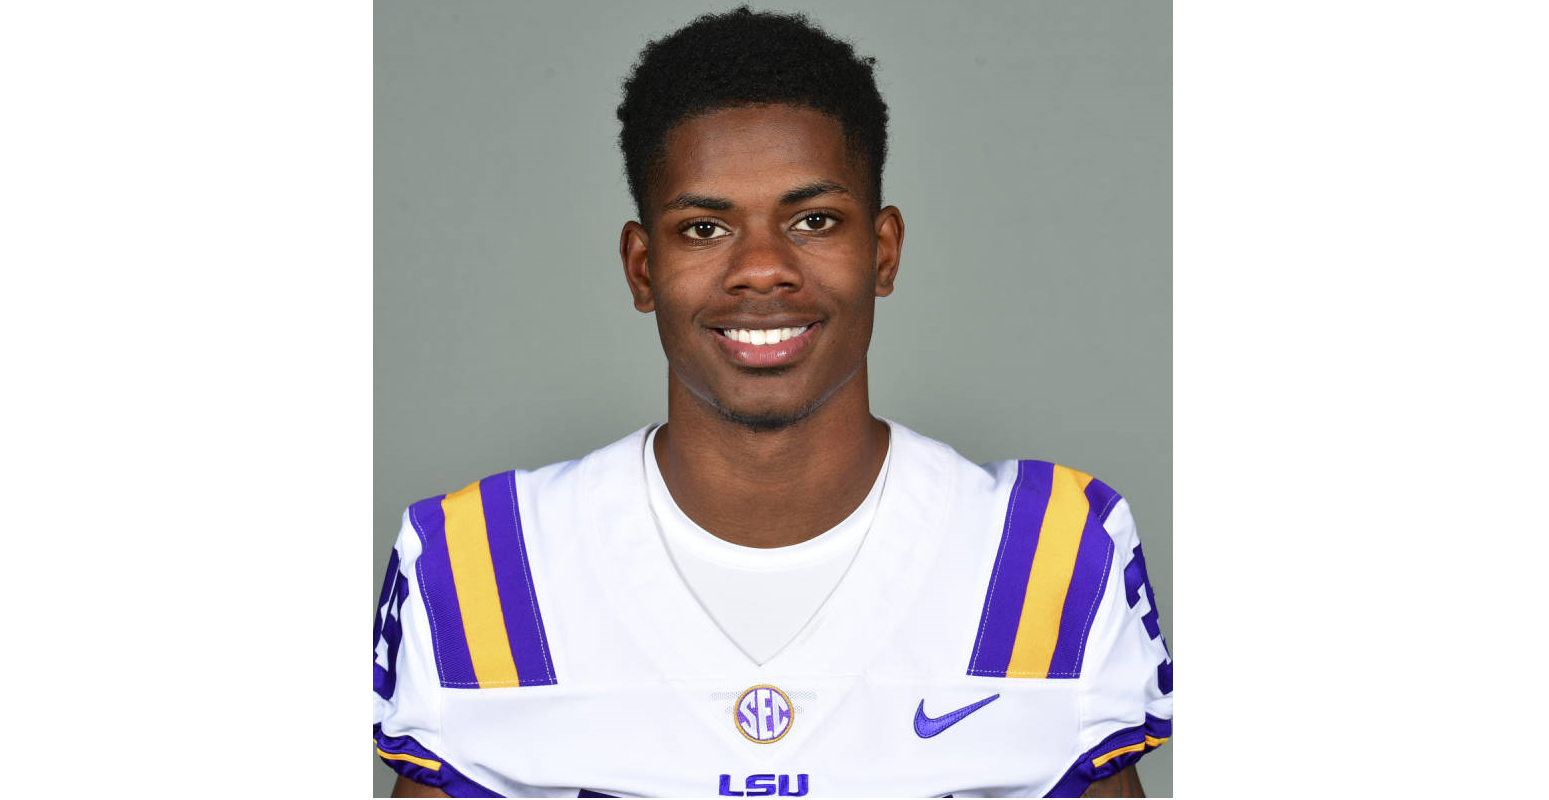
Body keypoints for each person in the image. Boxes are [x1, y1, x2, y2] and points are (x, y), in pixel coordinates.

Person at [373, 7, 1171, 797]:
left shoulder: (1051, 554)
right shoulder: (475, 563)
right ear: (642, 267)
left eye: (813, 219)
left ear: (882, 251)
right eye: (704, 229)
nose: (762, 268)